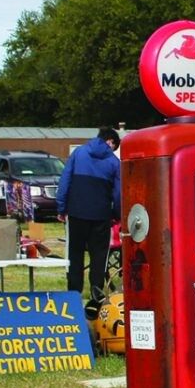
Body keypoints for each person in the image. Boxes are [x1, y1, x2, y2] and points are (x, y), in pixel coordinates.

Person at [58, 127, 121, 302]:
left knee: (75, 254)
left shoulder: (78, 153)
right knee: (99, 256)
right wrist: (117, 214)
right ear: (111, 142)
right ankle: (96, 294)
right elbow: (118, 194)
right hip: (101, 215)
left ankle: (74, 294)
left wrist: (61, 208)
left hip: (76, 212)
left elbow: (65, 180)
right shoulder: (114, 163)